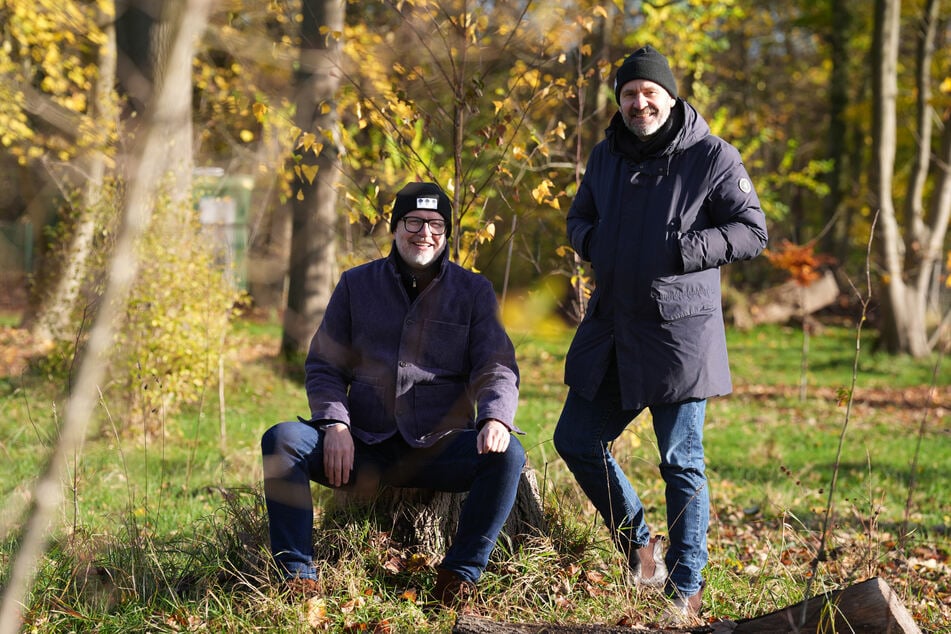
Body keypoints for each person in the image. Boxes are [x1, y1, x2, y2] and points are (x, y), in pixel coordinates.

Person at [552, 45, 768, 621]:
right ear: (619, 102)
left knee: (680, 460)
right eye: (628, 94)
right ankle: (642, 543)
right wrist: (595, 244)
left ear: (670, 97)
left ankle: (688, 586)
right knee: (575, 438)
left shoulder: (712, 156)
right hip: (613, 329)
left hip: (680, 334)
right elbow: (579, 219)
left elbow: (753, 230)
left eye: (649, 92)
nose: (638, 102)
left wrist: (687, 248)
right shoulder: (604, 157)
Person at [261, 181, 525, 606]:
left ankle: (459, 576)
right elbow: (324, 366)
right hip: (363, 445)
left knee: (509, 455)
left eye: (436, 224)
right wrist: (334, 423)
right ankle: (297, 576)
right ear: (395, 226)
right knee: (281, 441)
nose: (425, 233)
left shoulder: (473, 292)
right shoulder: (355, 285)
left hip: (438, 447)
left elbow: (496, 365)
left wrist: (496, 416)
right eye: (414, 222)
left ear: (447, 232)